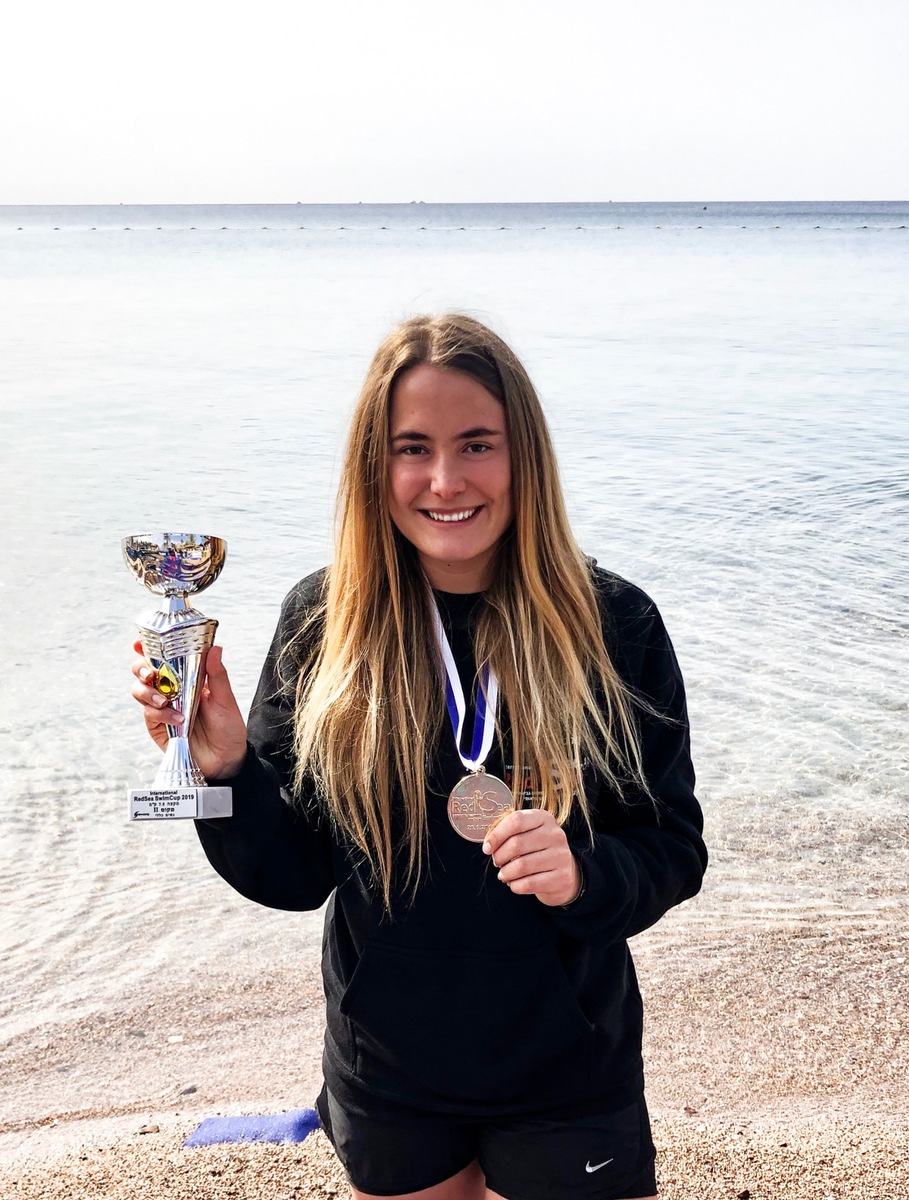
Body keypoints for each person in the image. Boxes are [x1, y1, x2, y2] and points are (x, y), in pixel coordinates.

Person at [131, 313, 707, 1200]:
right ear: (375, 465)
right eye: (412, 448)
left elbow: (671, 847)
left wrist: (583, 874)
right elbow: (294, 874)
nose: (445, 480)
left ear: (524, 458)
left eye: (477, 444)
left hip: (567, 1064)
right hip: (389, 1067)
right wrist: (225, 771)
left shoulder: (612, 624)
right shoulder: (327, 623)